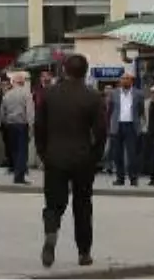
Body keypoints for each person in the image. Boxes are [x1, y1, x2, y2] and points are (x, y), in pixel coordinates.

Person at [35, 53, 106, 269]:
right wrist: (95, 156)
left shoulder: (49, 94)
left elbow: (39, 126)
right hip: (83, 157)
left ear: (64, 70)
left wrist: (43, 153)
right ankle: (84, 252)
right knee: (83, 205)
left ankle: (51, 231)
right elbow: (101, 132)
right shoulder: (93, 97)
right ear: (85, 72)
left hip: (55, 156)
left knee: (54, 202)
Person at [107, 72, 144, 186]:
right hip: (117, 125)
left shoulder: (138, 94)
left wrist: (139, 124)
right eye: (123, 79)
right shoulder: (114, 93)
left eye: (127, 79)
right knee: (117, 154)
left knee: (132, 154)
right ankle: (120, 178)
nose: (125, 81)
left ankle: (133, 178)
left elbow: (140, 110)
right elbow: (110, 109)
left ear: (131, 81)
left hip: (131, 125)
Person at [0, 72, 34, 185]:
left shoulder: (7, 95)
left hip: (9, 125)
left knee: (13, 150)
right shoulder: (26, 94)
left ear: (13, 83)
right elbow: (30, 112)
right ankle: (19, 176)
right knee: (22, 151)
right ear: (23, 82)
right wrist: (31, 127)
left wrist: (3, 124)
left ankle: (16, 170)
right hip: (21, 125)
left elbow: (2, 112)